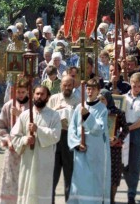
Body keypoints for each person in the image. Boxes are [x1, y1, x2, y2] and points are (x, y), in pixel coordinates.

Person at [11, 85, 62, 204]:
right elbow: (14, 136)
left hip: (44, 161)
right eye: (37, 94)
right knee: (26, 192)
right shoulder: (24, 115)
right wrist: (25, 140)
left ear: (48, 97)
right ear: (33, 95)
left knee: (42, 191)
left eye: (42, 94)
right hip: (28, 161)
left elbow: (56, 135)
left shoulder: (54, 115)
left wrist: (38, 130)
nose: (39, 96)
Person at [68, 78, 111, 204]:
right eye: (88, 88)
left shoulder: (102, 109)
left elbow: (99, 130)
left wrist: (87, 115)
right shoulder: (78, 108)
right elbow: (72, 129)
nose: (90, 91)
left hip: (95, 153)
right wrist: (76, 144)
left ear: (98, 91)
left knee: (93, 182)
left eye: (93, 89)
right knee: (80, 181)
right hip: (81, 152)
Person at [0, 77, 30, 204]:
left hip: (27, 148)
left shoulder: (32, 106)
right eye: (18, 92)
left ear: (28, 91)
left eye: (23, 92)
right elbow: (1, 126)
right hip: (11, 148)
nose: (20, 95)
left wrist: (20, 115)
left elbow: (35, 124)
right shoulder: (8, 105)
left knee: (26, 177)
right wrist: (8, 140)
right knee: (10, 178)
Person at [47, 75, 80, 203]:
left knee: (69, 175)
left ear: (73, 86)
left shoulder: (77, 100)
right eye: (65, 85)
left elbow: (79, 121)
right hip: (55, 139)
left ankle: (69, 201)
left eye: (69, 85)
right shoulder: (53, 99)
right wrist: (56, 111)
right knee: (52, 176)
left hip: (69, 139)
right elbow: (46, 116)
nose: (67, 88)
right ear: (61, 85)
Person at [122, 72, 140, 204]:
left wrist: (131, 128)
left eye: (139, 86)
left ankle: (131, 193)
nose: (137, 88)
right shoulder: (123, 98)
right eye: (134, 85)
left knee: (135, 164)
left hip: (137, 131)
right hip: (124, 131)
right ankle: (130, 185)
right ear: (130, 83)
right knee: (124, 163)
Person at [99, 89, 129, 204]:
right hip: (100, 147)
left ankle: (112, 199)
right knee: (101, 174)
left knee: (114, 175)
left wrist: (118, 139)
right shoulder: (95, 112)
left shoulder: (118, 113)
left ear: (108, 100)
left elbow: (125, 129)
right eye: (99, 99)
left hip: (114, 148)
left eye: (103, 99)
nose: (101, 102)